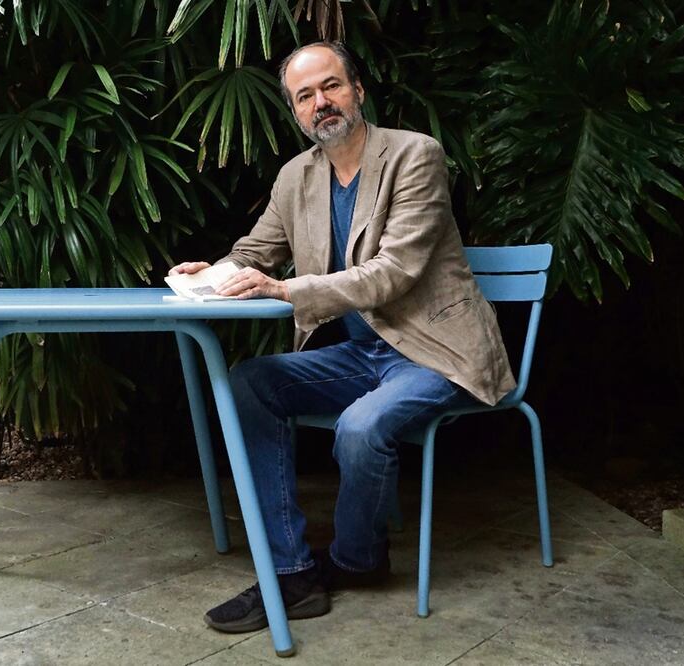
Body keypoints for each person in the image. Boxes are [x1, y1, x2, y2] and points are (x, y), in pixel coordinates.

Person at [169, 41, 517, 634]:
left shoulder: (414, 155)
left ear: (357, 89)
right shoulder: (296, 177)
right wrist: (217, 269)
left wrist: (284, 291)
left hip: (436, 352)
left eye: (330, 86)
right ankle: (291, 572)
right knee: (251, 384)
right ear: (296, 112)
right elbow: (258, 250)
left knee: (360, 427)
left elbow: (394, 272)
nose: (320, 103)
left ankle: (357, 560)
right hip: (363, 355)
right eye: (305, 96)